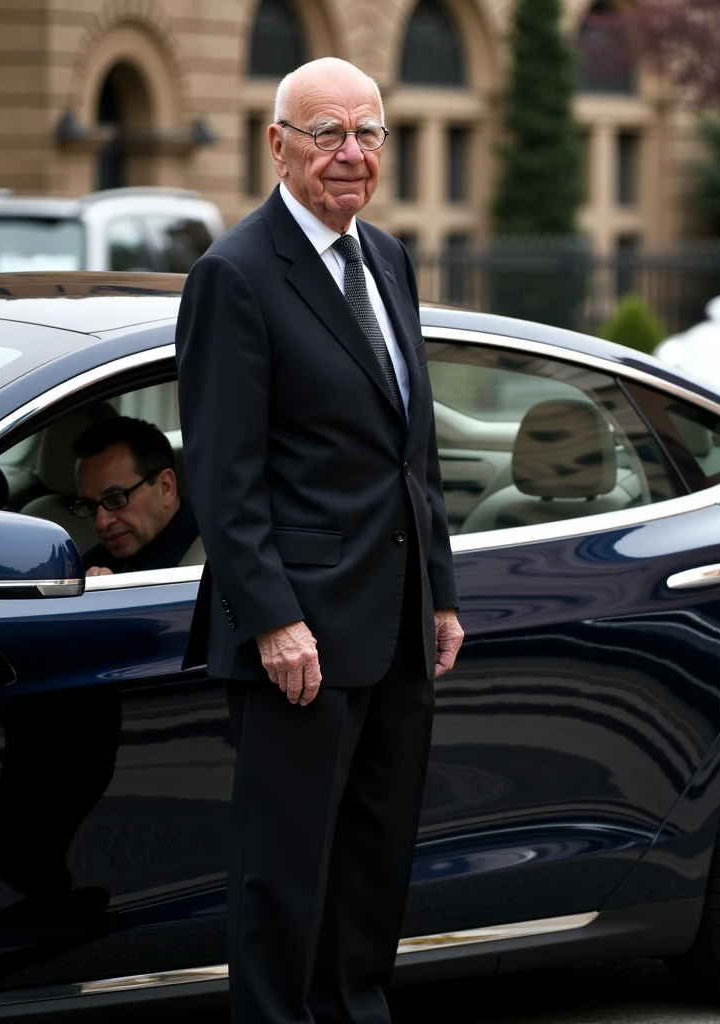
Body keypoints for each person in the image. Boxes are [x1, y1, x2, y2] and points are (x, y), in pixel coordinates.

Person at [174, 57, 464, 1024]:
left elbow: (409, 450)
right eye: (327, 133)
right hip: (297, 636)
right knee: (282, 874)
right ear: (277, 145)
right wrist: (274, 621)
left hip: (395, 622)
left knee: (375, 861)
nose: (351, 154)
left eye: (369, 133)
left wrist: (444, 590)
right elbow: (224, 475)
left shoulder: (386, 258)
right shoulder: (236, 274)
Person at [71, 416, 200, 577]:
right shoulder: (86, 569)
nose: (102, 523)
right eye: (89, 506)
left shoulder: (216, 559)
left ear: (165, 488)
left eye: (116, 499)